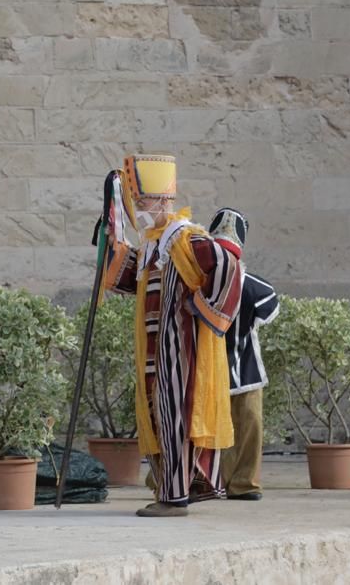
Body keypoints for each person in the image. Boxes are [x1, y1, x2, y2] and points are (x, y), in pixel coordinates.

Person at [101, 154, 242, 517]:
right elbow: (134, 280)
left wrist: (202, 305)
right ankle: (176, 488)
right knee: (160, 416)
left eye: (141, 201)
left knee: (176, 416)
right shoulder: (154, 243)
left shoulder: (184, 238)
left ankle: (174, 497)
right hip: (155, 351)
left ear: (162, 200)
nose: (138, 208)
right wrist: (110, 243)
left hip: (181, 351)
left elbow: (227, 263)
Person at [208, 207, 280, 501]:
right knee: (206, 429)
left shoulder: (254, 286)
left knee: (248, 424)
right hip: (211, 369)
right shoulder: (197, 279)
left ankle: (243, 483)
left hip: (243, 367)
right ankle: (205, 482)